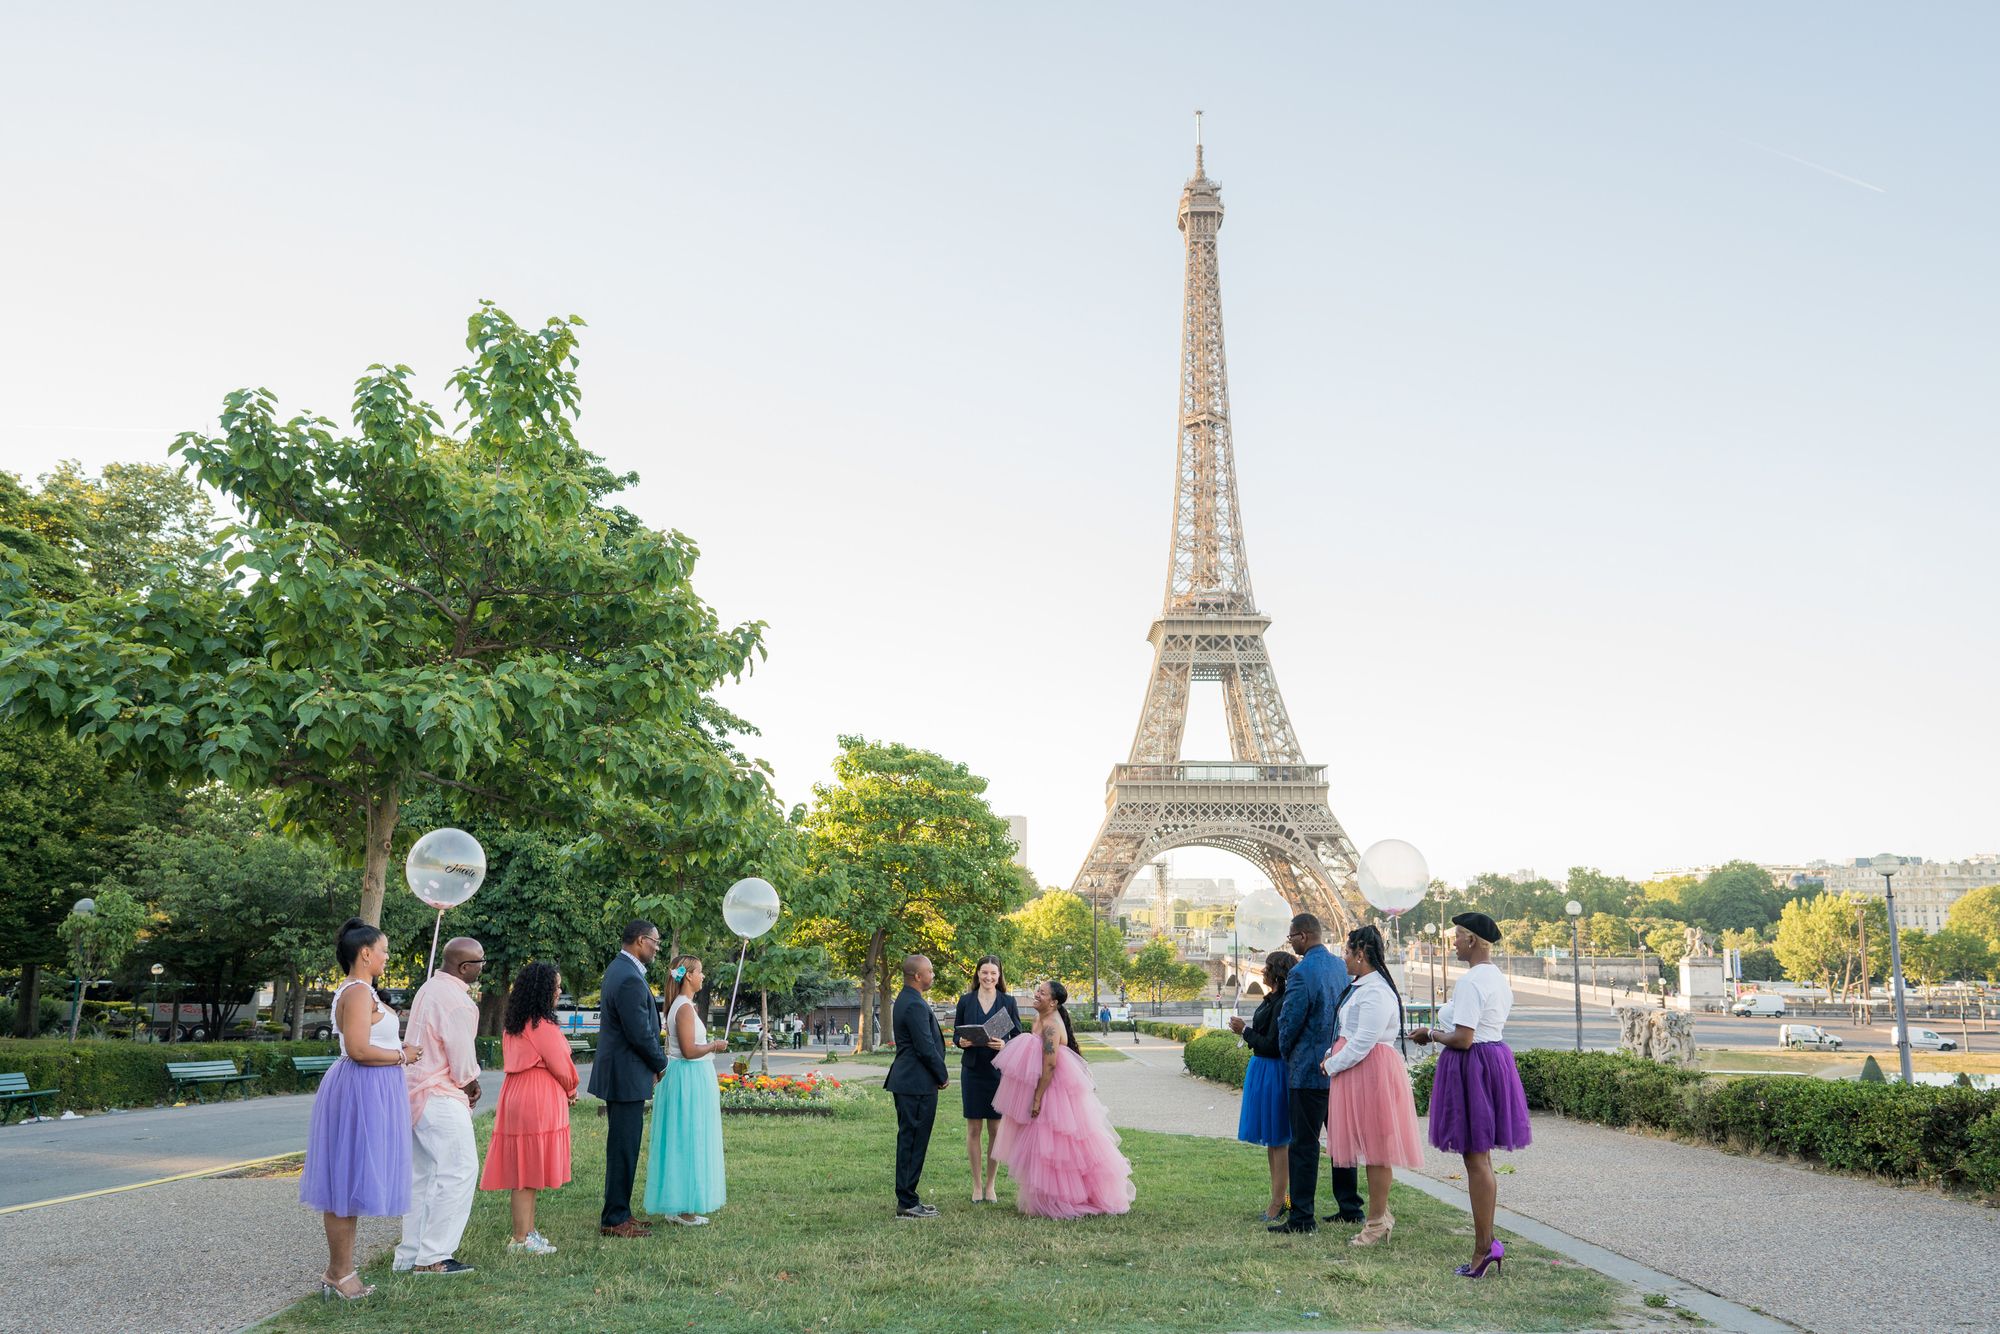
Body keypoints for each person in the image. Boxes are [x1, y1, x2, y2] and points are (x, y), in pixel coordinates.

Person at [300, 918, 419, 1301]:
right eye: (383, 950)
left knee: (352, 1185)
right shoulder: (356, 992)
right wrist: (403, 1055)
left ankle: (342, 1270)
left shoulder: (365, 992)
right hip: (358, 1092)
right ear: (365, 953)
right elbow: (358, 1049)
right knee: (343, 1184)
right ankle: (339, 1273)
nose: (387, 956)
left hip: (373, 1091)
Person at [1411, 911, 1530, 1278]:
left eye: (1457, 936)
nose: (1453, 943)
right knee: (1481, 1159)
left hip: (1472, 1066)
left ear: (1473, 940)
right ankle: (1487, 1242)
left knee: (1475, 1160)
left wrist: (1430, 1034)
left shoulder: (1471, 982)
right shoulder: (1496, 978)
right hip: (1492, 1061)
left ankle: (1483, 1248)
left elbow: (1462, 1038)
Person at [990, 979, 1135, 1218]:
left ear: (1054, 1002)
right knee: (1040, 1144)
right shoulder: (1040, 1020)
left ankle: (1064, 1199)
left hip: (1054, 1090)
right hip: (1044, 1085)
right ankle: (1044, 1196)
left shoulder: (1051, 1027)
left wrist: (1037, 1099)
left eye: (1042, 993)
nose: (1037, 994)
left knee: (1056, 1145)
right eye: (1038, 990)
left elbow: (1049, 1066)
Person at [1322, 926, 1424, 1246]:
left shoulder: (1376, 991)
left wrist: (1332, 1064)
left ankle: (1377, 1221)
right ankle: (1379, 1216)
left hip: (1370, 1073)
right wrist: (1333, 1053)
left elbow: (1364, 1041)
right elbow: (1351, 1032)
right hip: (1360, 1073)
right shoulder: (1364, 986)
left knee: (1377, 1150)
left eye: (1347, 952)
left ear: (1361, 954)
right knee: (1371, 1149)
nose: (1344, 958)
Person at [393, 936, 485, 1276]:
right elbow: (461, 1058)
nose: (482, 968)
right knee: (459, 1170)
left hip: (413, 1091)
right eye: (480, 963)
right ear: (464, 967)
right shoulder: (458, 1002)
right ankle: (435, 1256)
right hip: (440, 1095)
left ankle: (410, 1254)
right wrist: (471, 1084)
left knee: (424, 1175)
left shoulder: (428, 989)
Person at [1270, 912, 1363, 1233]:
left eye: (1291, 937)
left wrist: (1287, 1052)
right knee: (1341, 1142)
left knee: (1304, 1146)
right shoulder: (1342, 967)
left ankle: (1301, 1217)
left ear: (1304, 936)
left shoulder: (1300, 972)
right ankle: (1350, 1206)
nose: (1290, 942)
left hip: (1308, 1071)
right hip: (1338, 1065)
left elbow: (1290, 1021)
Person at [479, 961, 579, 1256]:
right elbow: (561, 1064)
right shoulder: (542, 1026)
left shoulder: (516, 1023)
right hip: (536, 1096)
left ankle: (528, 1232)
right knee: (527, 1171)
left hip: (516, 1094)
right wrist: (571, 1089)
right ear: (543, 990)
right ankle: (521, 1238)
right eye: (556, 986)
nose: (559, 991)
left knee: (526, 1168)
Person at [587, 919, 668, 1238]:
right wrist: (661, 1064)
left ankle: (621, 1211)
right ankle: (614, 1218)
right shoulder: (628, 977)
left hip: (624, 1072)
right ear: (640, 941)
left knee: (626, 1146)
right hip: (625, 1073)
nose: (657, 948)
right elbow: (640, 1033)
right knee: (623, 1147)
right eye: (655, 942)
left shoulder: (622, 970)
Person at [645, 955, 730, 1225]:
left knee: (682, 1137)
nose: (703, 976)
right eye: (700, 972)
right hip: (688, 1078)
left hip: (687, 1076)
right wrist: (714, 1045)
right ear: (688, 976)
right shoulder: (683, 1008)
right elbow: (690, 1050)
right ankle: (684, 1210)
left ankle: (678, 1203)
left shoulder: (683, 1006)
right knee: (689, 1138)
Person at [1228, 950, 1296, 1222]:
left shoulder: (1282, 1003)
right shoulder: (1272, 999)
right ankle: (1279, 1197)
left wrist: (1244, 1031)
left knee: (1279, 1139)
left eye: (1267, 967)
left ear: (1277, 972)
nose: (1262, 972)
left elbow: (1272, 1044)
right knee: (1273, 1139)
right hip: (1263, 1069)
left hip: (1273, 1071)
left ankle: (1280, 1201)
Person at [884, 953, 949, 1219]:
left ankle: (909, 1198)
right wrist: (942, 1075)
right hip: (916, 1083)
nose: (933, 975)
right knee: (912, 1142)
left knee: (912, 1141)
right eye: (930, 971)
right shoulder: (913, 1005)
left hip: (914, 1082)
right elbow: (925, 1048)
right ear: (918, 976)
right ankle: (907, 1203)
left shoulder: (909, 999)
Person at [954, 954, 1022, 1204]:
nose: (989, 977)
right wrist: (960, 1042)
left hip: (997, 1072)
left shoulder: (1008, 1001)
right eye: (984, 972)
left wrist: (1005, 1044)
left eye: (993, 973)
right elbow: (956, 1034)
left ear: (999, 975)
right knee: (973, 1128)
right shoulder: (965, 1000)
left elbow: (1018, 1035)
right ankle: (976, 1186)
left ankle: (991, 1185)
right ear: (977, 974)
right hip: (972, 1071)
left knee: (995, 1129)